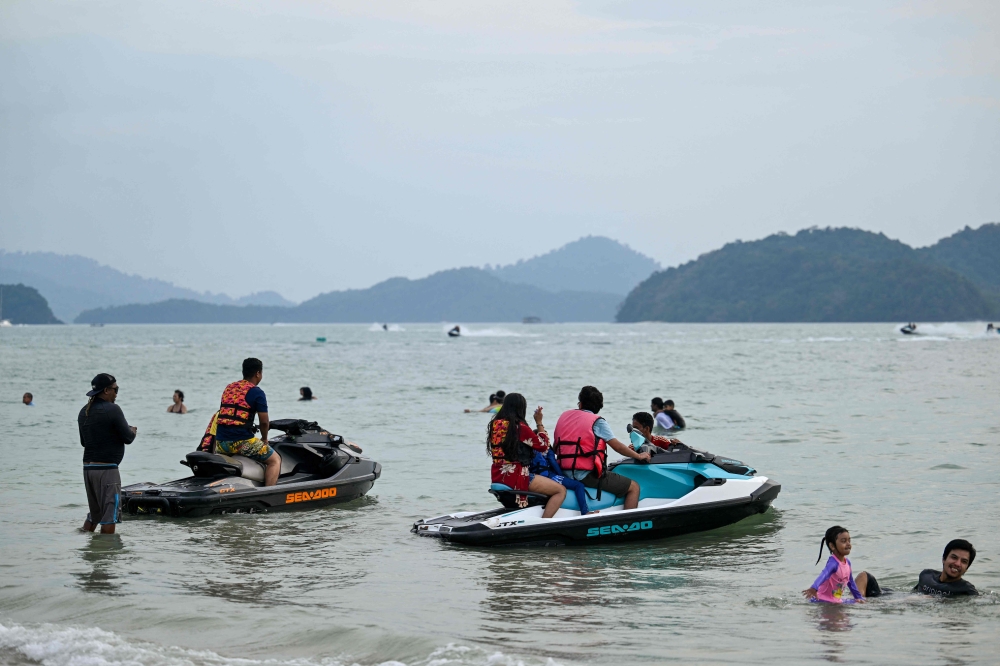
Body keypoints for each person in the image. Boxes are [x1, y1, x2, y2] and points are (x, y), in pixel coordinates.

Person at [554, 386, 650, 510]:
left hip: (562, 471)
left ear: (580, 404)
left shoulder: (564, 416)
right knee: (634, 487)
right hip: (585, 475)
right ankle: (627, 524)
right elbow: (617, 446)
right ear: (599, 407)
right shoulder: (597, 422)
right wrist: (639, 455)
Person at [487, 393, 566, 518]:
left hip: (497, 475)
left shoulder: (495, 425)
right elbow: (543, 446)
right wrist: (539, 422)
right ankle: (544, 523)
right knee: (560, 490)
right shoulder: (519, 427)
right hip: (516, 476)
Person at [78, 373, 137, 534]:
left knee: (95, 514)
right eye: (115, 389)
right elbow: (128, 437)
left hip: (88, 470)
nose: (117, 393)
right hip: (107, 471)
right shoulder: (113, 409)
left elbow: (84, 442)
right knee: (110, 515)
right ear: (106, 390)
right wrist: (133, 430)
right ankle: (106, 553)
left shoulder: (84, 411)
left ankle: (84, 543)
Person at [214, 358, 280, 486]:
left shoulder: (229, 388)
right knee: (275, 460)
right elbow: (264, 422)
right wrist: (265, 438)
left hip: (221, 443)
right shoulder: (257, 392)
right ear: (258, 373)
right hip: (241, 442)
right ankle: (269, 493)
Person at [802, 526, 865, 603]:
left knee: (864, 603)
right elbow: (824, 574)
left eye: (849, 540)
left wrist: (859, 597)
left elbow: (851, 582)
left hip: (836, 600)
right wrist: (814, 588)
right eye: (843, 541)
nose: (848, 544)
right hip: (822, 600)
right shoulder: (834, 563)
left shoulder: (847, 563)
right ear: (832, 546)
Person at [913, 539, 979, 596]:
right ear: (944, 559)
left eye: (964, 561)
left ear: (966, 568)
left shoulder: (967, 590)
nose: (958, 564)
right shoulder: (926, 576)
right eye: (954, 557)